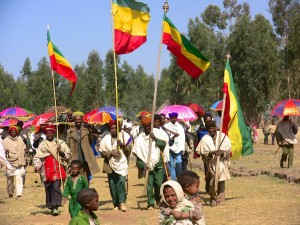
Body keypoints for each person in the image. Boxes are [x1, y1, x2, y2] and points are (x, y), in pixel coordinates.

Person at [132, 115, 169, 210]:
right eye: (146, 127)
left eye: (149, 126)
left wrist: (155, 138)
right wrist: (143, 165)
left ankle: (158, 200)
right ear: (143, 127)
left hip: (158, 164)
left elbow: (162, 146)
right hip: (147, 165)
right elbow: (138, 154)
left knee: (158, 184)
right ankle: (150, 204)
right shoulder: (140, 138)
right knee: (149, 185)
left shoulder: (158, 133)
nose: (148, 128)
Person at [33, 125, 71, 215]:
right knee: (49, 188)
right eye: (47, 133)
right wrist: (37, 166)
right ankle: (50, 205)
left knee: (56, 187)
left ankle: (56, 206)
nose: (49, 134)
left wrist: (60, 152)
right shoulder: (42, 145)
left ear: (54, 133)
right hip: (46, 170)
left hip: (58, 169)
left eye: (51, 132)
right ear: (45, 134)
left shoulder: (60, 143)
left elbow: (68, 155)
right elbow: (37, 157)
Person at [99, 120, 132, 211]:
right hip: (110, 164)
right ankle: (115, 204)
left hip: (122, 164)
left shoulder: (125, 136)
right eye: (112, 128)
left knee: (121, 181)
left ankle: (122, 203)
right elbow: (102, 152)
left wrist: (122, 145)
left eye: (115, 128)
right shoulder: (105, 138)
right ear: (110, 129)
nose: (114, 130)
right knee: (112, 184)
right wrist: (111, 154)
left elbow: (129, 151)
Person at [196, 120, 231, 206]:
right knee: (212, 180)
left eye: (212, 128)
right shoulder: (205, 139)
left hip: (221, 163)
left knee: (221, 180)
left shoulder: (222, 137)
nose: (211, 130)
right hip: (211, 163)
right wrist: (212, 153)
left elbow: (228, 149)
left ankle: (220, 198)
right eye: (209, 129)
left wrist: (222, 153)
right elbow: (203, 152)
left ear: (215, 128)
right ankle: (213, 196)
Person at [66, 111, 100, 181]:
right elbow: (67, 145)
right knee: (75, 181)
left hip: (85, 159)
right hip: (75, 159)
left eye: (79, 119)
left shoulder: (86, 130)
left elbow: (90, 142)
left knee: (85, 181)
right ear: (74, 120)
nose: (78, 121)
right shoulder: (70, 131)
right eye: (76, 119)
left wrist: (91, 132)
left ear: (82, 120)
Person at [2, 126, 27, 199]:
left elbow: (24, 148)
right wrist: (5, 152)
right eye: (12, 132)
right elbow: (2, 150)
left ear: (17, 132)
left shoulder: (20, 139)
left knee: (19, 178)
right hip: (9, 162)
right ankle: (10, 193)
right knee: (10, 179)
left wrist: (25, 151)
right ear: (9, 133)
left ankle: (19, 194)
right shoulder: (6, 140)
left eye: (15, 132)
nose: (13, 133)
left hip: (19, 161)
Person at [164, 112, 186, 180]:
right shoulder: (166, 127)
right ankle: (173, 179)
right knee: (171, 165)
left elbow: (182, 137)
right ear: (170, 119)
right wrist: (173, 137)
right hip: (169, 148)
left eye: (174, 118)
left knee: (179, 162)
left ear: (176, 118)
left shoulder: (180, 127)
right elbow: (166, 138)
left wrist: (182, 147)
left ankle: (179, 177)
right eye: (172, 118)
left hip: (178, 148)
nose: (173, 119)